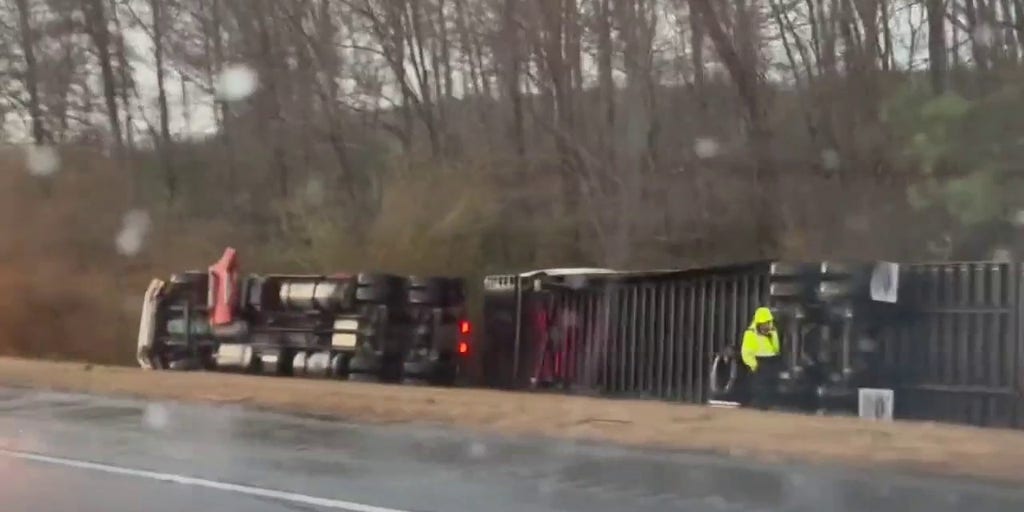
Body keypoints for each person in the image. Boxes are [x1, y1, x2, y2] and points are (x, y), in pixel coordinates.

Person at [741, 307, 782, 409]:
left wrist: (772, 335)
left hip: (771, 361)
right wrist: (754, 365)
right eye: (764, 323)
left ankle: (769, 407)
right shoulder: (750, 333)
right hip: (759, 362)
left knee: (771, 387)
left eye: (768, 323)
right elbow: (746, 352)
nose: (766, 326)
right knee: (760, 388)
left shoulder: (772, 332)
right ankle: (759, 408)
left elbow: (776, 348)